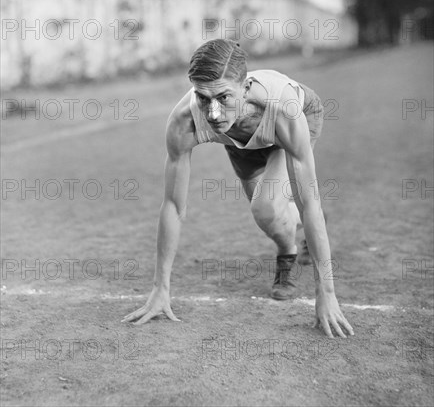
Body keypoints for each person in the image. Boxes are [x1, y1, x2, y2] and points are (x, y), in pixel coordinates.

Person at [122, 39, 354, 338]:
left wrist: (328, 293)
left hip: (294, 121)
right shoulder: (186, 121)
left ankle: (288, 254)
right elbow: (173, 206)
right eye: (203, 98)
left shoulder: (284, 110)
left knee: (267, 206)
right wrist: (160, 290)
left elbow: (310, 202)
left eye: (223, 97)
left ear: (245, 88)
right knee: (266, 217)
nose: (214, 113)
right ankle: (291, 232)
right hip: (239, 140)